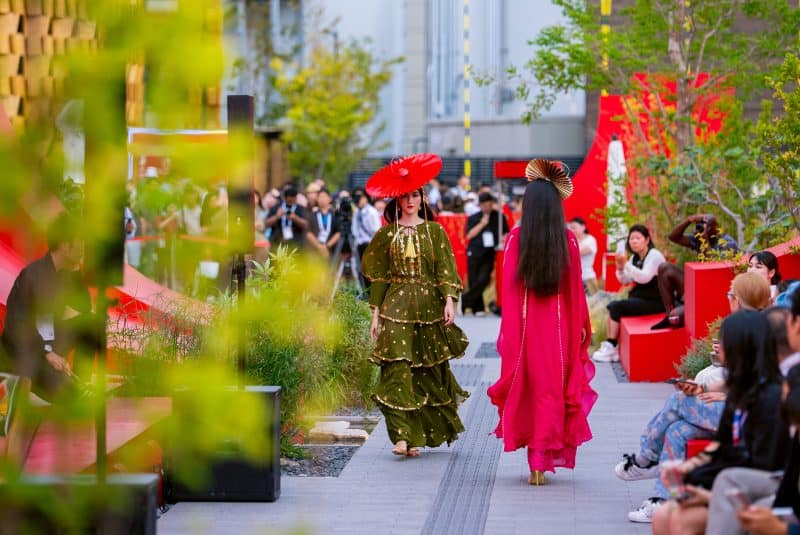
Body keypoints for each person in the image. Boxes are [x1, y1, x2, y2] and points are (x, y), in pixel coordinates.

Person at [617, 273, 773, 524]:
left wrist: (721, 392)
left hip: (746, 415)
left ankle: (645, 457)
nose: (729, 298)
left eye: (731, 294)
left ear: (740, 298)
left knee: (678, 401)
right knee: (678, 430)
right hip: (731, 404)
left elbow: (763, 381)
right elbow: (742, 375)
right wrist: (703, 387)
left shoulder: (758, 328)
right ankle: (662, 499)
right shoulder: (745, 325)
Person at [487, 159, 596, 486]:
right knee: (553, 391)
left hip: (526, 330)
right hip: (559, 328)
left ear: (528, 206)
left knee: (528, 388)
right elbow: (576, 293)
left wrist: (511, 333)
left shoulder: (516, 240)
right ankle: (542, 457)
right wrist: (580, 328)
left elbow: (508, 293)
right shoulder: (569, 241)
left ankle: (535, 462)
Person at [361, 157, 469, 458]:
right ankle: (401, 436)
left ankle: (418, 435)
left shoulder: (435, 232)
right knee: (397, 369)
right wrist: (375, 314)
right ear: (397, 199)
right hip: (395, 305)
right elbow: (379, 277)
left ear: (423, 198)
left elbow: (446, 270)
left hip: (429, 308)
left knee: (426, 373)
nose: (410, 200)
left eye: (415, 195)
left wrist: (450, 301)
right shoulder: (386, 234)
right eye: (405, 196)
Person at [651, 309, 792, 535]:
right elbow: (722, 443)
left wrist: (705, 488)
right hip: (731, 481)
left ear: (741, 348)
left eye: (724, 341)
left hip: (754, 487)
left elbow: (760, 463)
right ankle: (649, 465)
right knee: (662, 515)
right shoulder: (741, 390)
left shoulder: (772, 397)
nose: (719, 347)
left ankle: (644, 459)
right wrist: (686, 468)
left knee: (680, 521)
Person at [1, 214, 90, 401]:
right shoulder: (32, 276)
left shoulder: (65, 275)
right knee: (70, 398)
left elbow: (84, 308)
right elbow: (16, 325)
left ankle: (81, 382)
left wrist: (75, 273)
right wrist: (48, 354)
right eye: (80, 242)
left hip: (49, 351)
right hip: (28, 357)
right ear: (65, 245)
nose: (83, 248)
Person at [592, 224, 667, 362]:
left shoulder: (654, 255)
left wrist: (626, 264)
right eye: (631, 238)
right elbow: (625, 280)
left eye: (638, 238)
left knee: (616, 307)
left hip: (657, 301)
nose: (634, 241)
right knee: (614, 306)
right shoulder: (634, 258)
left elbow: (644, 278)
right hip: (642, 298)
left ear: (647, 240)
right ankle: (611, 346)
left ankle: (612, 346)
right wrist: (620, 269)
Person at [651, 214, 739, 330]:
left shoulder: (727, 243)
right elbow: (673, 237)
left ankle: (674, 315)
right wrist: (688, 221)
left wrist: (706, 241)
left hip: (713, 294)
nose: (700, 229)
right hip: (697, 287)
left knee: (675, 317)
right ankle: (669, 314)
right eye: (699, 226)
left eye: (705, 226)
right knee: (664, 267)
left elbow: (713, 268)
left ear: (714, 227)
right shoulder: (699, 239)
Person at [461, 193, 508, 316]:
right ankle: (478, 308)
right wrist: (482, 223)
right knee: (474, 280)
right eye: (484, 205)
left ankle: (464, 301)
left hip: (489, 252)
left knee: (484, 279)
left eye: (489, 205)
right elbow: (469, 235)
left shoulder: (499, 217)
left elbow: (505, 233)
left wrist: (503, 239)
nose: (487, 207)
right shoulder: (474, 217)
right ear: (480, 205)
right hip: (475, 251)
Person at [305, 189, 341, 259]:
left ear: (330, 199)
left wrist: (327, 246)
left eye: (324, 197)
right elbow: (308, 233)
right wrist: (320, 247)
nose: (322, 199)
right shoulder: (312, 215)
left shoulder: (335, 215)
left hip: (331, 250)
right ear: (317, 199)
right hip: (315, 250)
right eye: (320, 197)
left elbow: (338, 232)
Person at [568, 216, 599, 295]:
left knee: (592, 304)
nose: (572, 230)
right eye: (570, 228)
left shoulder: (590, 240)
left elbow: (577, 253)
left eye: (574, 227)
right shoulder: (570, 241)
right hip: (572, 278)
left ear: (583, 227)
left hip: (587, 277)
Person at [351, 189, 381, 261]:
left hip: (369, 243)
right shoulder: (357, 211)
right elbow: (354, 228)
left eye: (360, 197)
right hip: (359, 243)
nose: (358, 200)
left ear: (366, 198)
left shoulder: (372, 212)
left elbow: (377, 229)